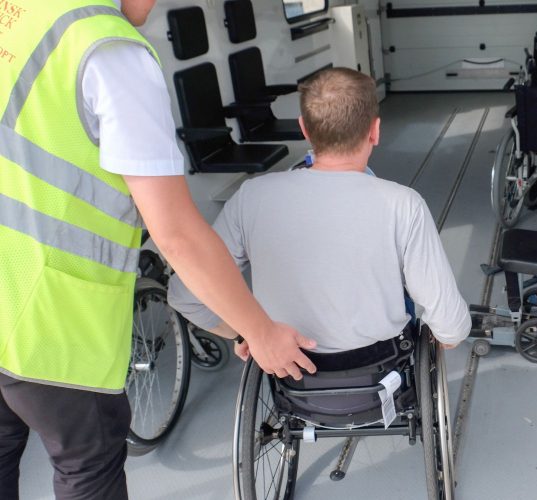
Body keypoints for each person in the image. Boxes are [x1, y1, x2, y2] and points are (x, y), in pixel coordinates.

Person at [0, 1, 314, 498]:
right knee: (87, 466)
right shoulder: (109, 50)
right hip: (49, 324)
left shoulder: (19, 14)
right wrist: (261, 331)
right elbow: (176, 233)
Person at [169, 67, 471, 362]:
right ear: (375, 131)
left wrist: (250, 335)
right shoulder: (403, 204)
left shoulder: (251, 197)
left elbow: (185, 295)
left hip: (290, 375)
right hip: (380, 366)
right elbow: (451, 324)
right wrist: (448, 335)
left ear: (304, 128)